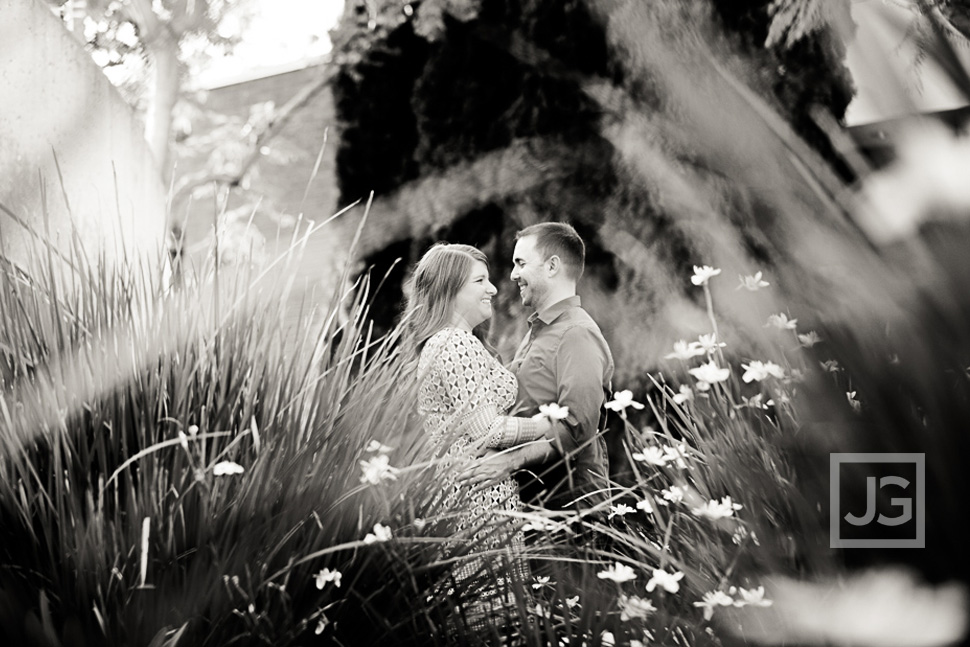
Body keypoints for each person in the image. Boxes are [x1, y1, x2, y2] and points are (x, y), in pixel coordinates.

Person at [402, 242, 555, 632]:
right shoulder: (455, 344)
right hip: (477, 499)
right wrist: (547, 424)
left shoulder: (443, 343)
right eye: (480, 281)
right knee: (492, 618)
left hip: (464, 492)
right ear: (451, 290)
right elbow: (488, 429)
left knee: (480, 614)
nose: (492, 289)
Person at [465, 222, 614, 514]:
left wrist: (508, 462)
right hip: (536, 506)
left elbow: (576, 429)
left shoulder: (576, 334)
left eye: (521, 263)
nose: (513, 274)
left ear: (552, 266)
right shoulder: (540, 331)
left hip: (570, 514)